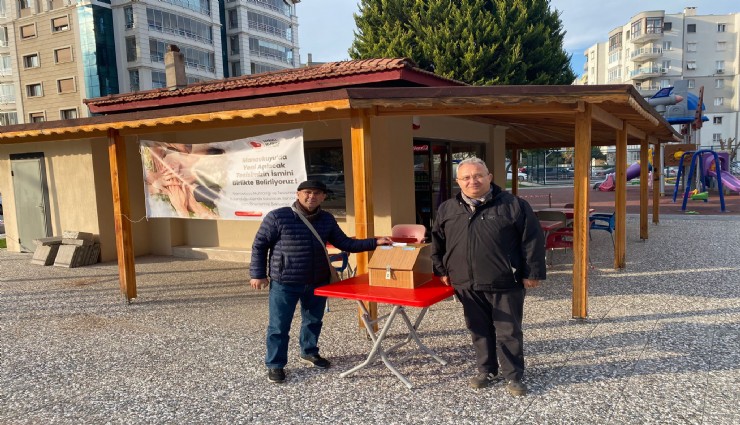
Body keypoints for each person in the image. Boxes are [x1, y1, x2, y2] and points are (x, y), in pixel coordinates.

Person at [250, 180, 392, 384]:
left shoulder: (326, 219)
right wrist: (258, 273)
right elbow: (259, 245)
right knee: (279, 327)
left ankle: (309, 352)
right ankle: (275, 364)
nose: (312, 196)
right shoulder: (278, 216)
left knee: (313, 320)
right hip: (285, 282)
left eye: (317, 193)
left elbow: (345, 243)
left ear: (324, 197)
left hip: (317, 281)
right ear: (298, 194)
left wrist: (374, 242)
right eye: (307, 192)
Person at [431, 157, 545, 396]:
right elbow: (438, 241)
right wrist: (441, 269)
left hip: (505, 281)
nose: (473, 181)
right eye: (466, 177)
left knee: (508, 331)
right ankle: (487, 370)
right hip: (466, 282)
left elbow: (532, 240)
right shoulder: (447, 209)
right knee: (478, 329)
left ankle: (513, 376)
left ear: (489, 177)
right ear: (458, 181)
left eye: (478, 175)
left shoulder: (514, 205)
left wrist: (531, 272)